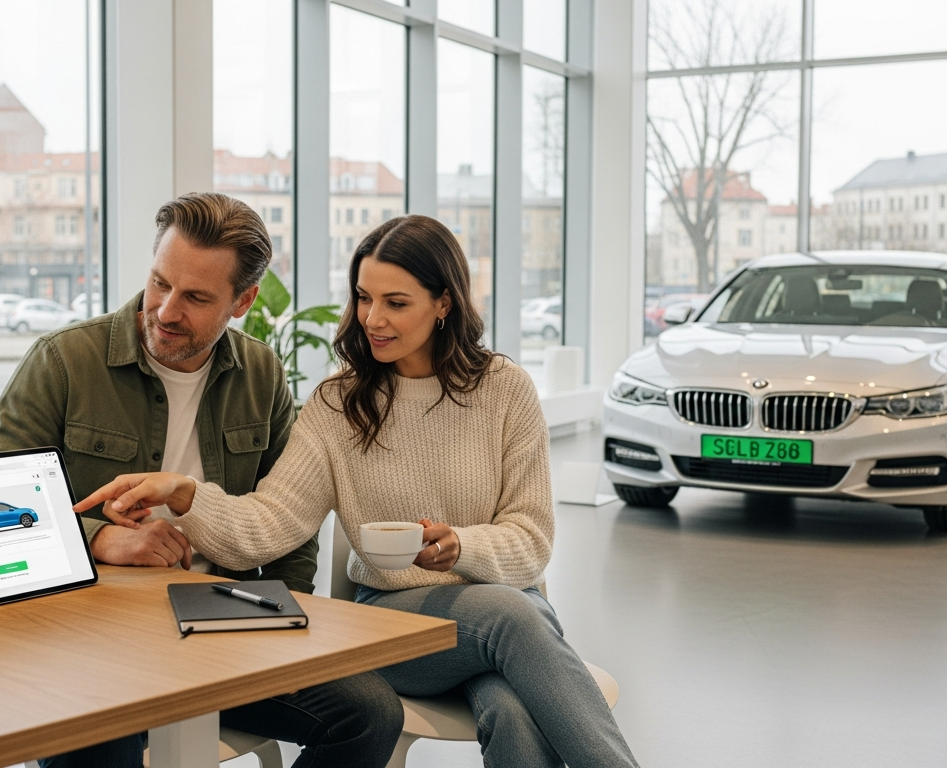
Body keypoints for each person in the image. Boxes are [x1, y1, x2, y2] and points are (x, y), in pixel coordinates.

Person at [75, 214, 641, 768]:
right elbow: (268, 525)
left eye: (396, 303)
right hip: (400, 622)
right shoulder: (337, 404)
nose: (372, 318)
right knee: (512, 615)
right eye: (363, 297)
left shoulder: (505, 390)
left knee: (515, 709)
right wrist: (186, 495)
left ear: (444, 303)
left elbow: (532, 539)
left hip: (507, 616)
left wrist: (461, 547)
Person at [0, 192, 404, 768]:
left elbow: (291, 523)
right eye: (159, 283)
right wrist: (102, 538)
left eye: (196, 297)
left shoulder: (260, 373)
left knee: (370, 713)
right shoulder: (64, 362)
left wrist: (284, 614)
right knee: (107, 726)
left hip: (222, 621)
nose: (166, 310)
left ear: (243, 300)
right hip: (91, 630)